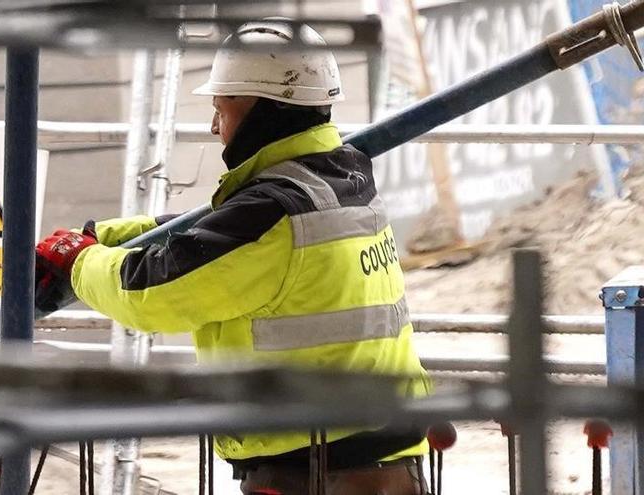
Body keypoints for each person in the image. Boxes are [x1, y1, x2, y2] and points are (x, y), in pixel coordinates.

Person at [34, 20, 431, 495]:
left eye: (222, 108)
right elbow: (209, 232)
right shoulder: (339, 179)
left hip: (315, 468)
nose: (215, 126)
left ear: (265, 111)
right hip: (374, 455)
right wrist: (100, 235)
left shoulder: (273, 213)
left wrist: (79, 261)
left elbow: (149, 291)